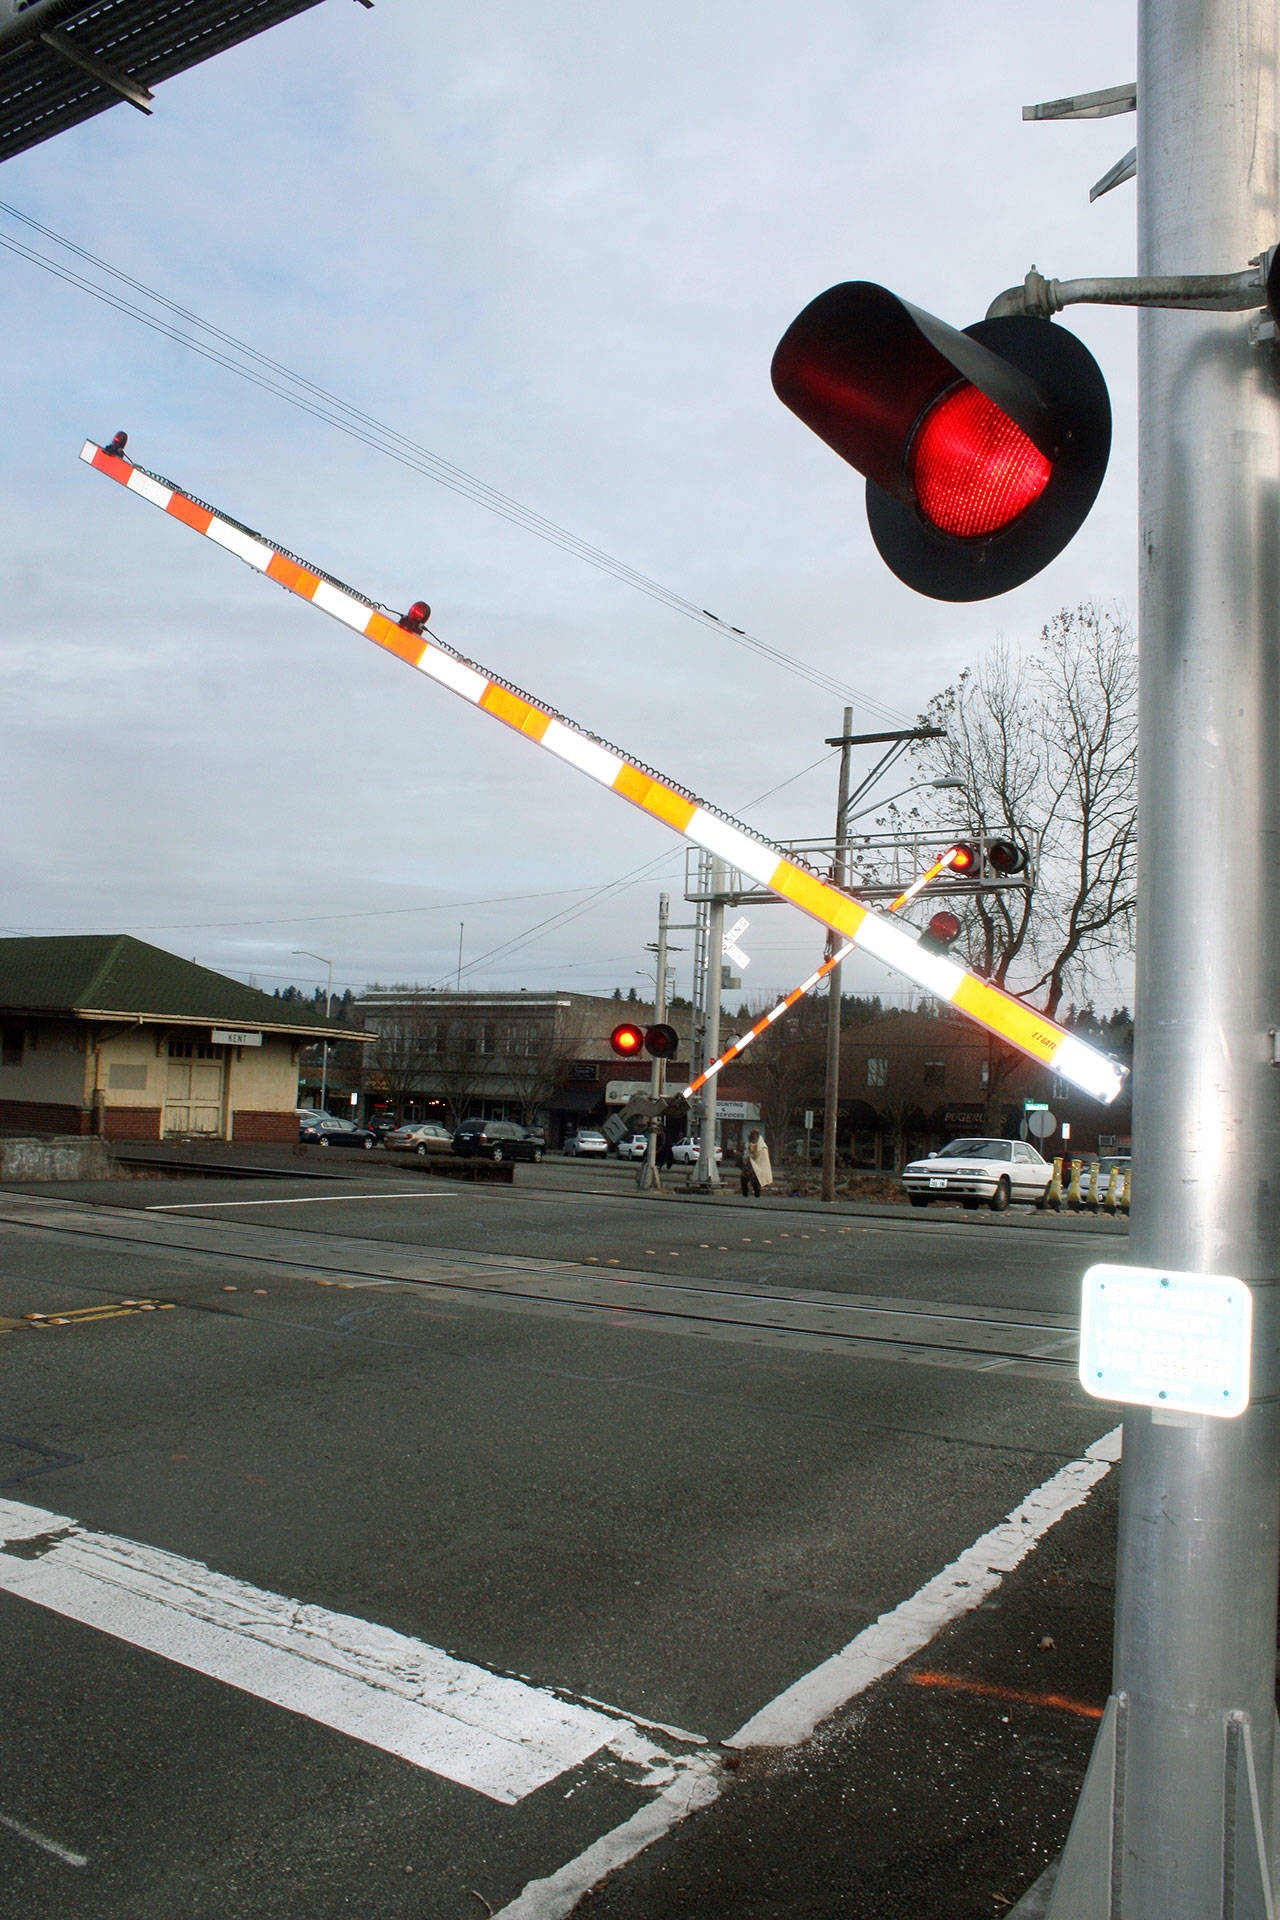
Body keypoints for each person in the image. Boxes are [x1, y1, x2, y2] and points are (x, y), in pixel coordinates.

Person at [740, 1129, 772, 1198]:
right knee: (744, 1178)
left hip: (757, 1166)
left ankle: (756, 1194)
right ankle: (745, 1194)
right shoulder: (750, 1144)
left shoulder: (762, 1146)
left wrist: (751, 1154)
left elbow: (759, 1155)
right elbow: (747, 1153)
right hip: (749, 1165)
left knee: (755, 1181)